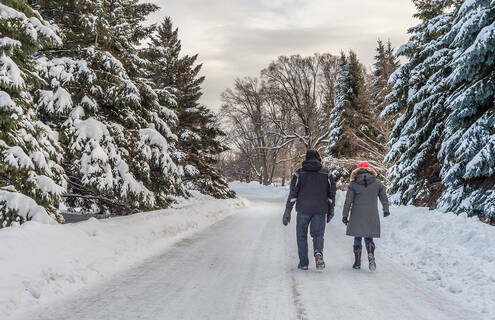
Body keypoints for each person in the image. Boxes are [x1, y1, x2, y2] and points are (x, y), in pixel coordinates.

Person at [283, 150, 336, 270]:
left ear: (306, 158)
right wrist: (331, 210)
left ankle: (303, 263)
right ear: (319, 159)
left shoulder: (299, 173)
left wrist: (288, 210)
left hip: (303, 209)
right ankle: (318, 253)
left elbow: (293, 194)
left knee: (301, 236)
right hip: (320, 210)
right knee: (318, 235)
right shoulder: (326, 173)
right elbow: (331, 194)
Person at [342, 161, 390, 271]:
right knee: (369, 236)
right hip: (371, 214)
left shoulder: (353, 184)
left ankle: (357, 262)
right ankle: (371, 255)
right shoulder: (377, 183)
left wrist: (345, 216)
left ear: (357, 171)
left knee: (357, 237)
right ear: (370, 169)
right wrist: (386, 209)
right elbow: (384, 198)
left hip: (357, 214)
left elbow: (348, 202)